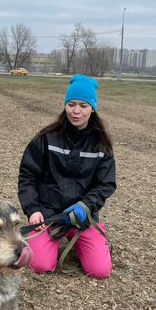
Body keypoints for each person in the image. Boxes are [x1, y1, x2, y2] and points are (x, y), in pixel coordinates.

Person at [18, 74, 116, 279]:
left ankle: (93, 239)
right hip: (48, 216)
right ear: (65, 105)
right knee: (41, 265)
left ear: (93, 108)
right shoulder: (46, 138)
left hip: (82, 218)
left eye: (83, 105)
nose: (76, 111)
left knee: (100, 271)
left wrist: (86, 206)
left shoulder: (101, 145)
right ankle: (42, 240)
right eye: (71, 104)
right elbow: (28, 176)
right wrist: (33, 209)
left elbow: (105, 184)